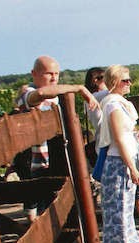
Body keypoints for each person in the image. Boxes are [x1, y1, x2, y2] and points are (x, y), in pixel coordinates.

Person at [15, 56, 100, 221]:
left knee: (65, 207)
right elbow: (39, 94)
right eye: (49, 74)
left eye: (56, 74)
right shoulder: (27, 92)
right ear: (34, 74)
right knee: (44, 210)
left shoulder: (57, 96)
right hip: (37, 161)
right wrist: (78, 88)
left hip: (59, 159)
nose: (54, 78)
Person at [98, 65, 139, 243]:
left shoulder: (120, 104)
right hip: (119, 163)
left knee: (126, 207)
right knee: (119, 210)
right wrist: (131, 168)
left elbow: (124, 135)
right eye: (125, 80)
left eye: (129, 79)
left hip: (124, 159)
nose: (129, 83)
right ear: (114, 82)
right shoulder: (112, 105)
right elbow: (118, 139)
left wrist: (135, 135)